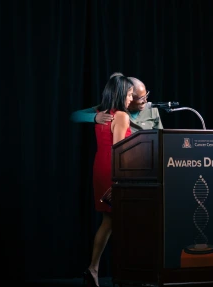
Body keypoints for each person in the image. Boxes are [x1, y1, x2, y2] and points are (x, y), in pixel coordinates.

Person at [80, 75, 134, 287]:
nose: (131, 99)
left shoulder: (102, 114)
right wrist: (119, 181)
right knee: (120, 221)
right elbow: (118, 149)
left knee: (109, 222)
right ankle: (126, 273)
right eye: (129, 94)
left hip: (100, 168)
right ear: (122, 94)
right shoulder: (121, 115)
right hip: (113, 172)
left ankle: (94, 269)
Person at [70, 73, 163, 133]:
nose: (145, 101)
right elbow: (74, 116)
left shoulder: (152, 109)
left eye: (146, 95)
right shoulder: (111, 109)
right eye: (141, 98)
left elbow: (161, 136)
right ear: (127, 96)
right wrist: (94, 117)